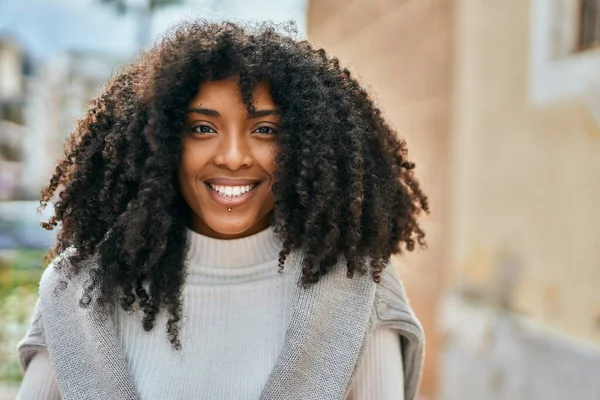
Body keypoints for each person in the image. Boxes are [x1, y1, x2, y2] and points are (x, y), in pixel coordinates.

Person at [16, 20, 429, 400]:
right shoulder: (79, 290)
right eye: (202, 128)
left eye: (265, 130)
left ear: (309, 146)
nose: (233, 157)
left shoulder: (357, 289)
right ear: (159, 143)